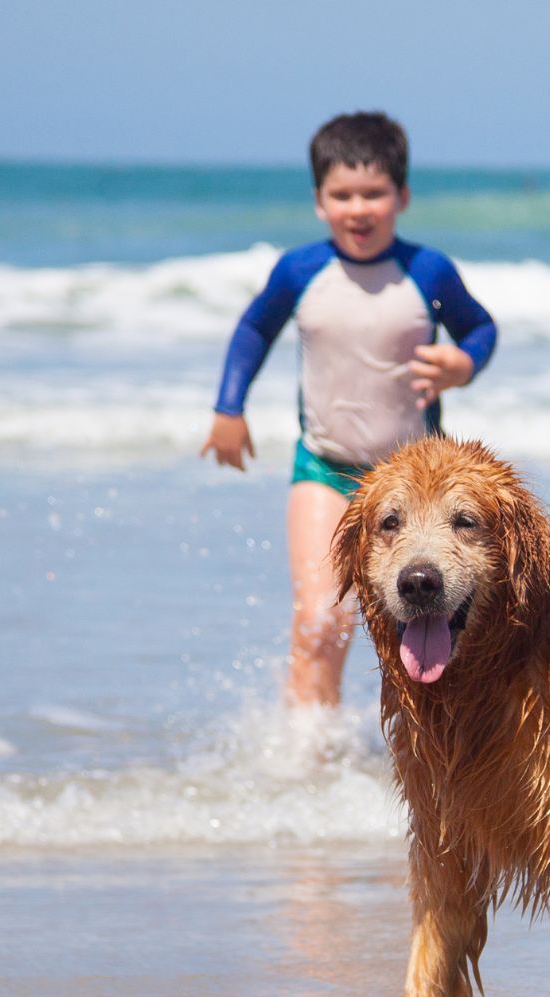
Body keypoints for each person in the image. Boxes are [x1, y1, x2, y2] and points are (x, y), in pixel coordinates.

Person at [200, 112, 498, 707]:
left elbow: (480, 327)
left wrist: (463, 364)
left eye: (373, 194)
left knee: (430, 618)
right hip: (326, 471)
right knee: (322, 620)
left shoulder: (427, 271)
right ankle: (310, 757)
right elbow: (254, 329)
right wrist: (229, 408)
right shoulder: (301, 271)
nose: (357, 209)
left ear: (402, 196)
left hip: (416, 490)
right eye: (342, 195)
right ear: (318, 201)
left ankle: (422, 752)